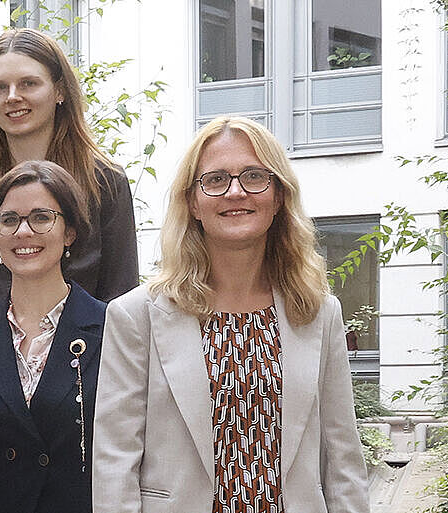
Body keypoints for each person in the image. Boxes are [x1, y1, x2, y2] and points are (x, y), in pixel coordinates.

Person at [93, 117, 366, 513]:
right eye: (216, 180)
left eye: (254, 176)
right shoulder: (136, 317)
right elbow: (114, 465)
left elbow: (344, 462)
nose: (235, 192)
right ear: (193, 202)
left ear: (278, 197)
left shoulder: (318, 313)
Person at [0, 28, 138, 365]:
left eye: (29, 84)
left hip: (78, 385)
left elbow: (122, 305)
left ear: (60, 90)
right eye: (0, 88)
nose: (13, 97)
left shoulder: (104, 184)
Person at [0, 160, 106, 513]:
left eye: (42, 217)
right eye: (9, 220)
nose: (23, 232)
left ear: (70, 232)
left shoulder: (112, 329)